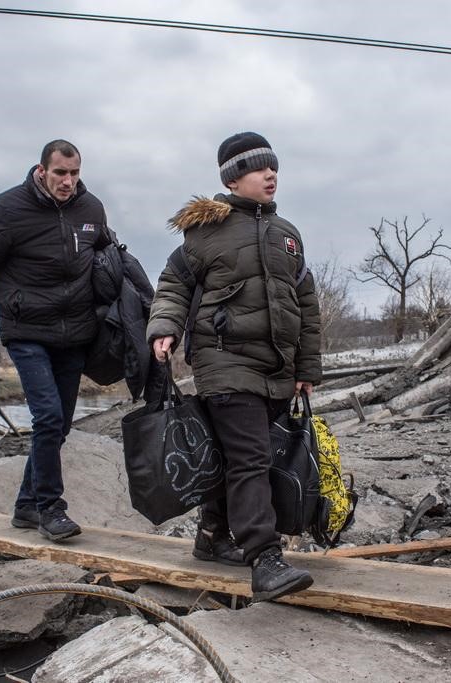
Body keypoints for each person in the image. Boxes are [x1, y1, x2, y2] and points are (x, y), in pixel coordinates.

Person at [147, 132, 322, 602]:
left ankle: (211, 535)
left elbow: (306, 303)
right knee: (251, 459)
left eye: (274, 167)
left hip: (277, 369)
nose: (271, 175)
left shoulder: (288, 234)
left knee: (237, 458)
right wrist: (165, 327)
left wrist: (306, 366)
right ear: (232, 178)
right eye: (258, 169)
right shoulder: (205, 233)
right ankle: (264, 559)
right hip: (223, 362)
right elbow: (172, 286)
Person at [0, 139, 110, 542]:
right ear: (42, 169)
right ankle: (51, 508)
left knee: (59, 425)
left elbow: (109, 258)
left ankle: (26, 505)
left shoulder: (91, 209)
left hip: (75, 333)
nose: (68, 182)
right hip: (27, 331)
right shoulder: (8, 209)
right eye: (60, 173)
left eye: (75, 173)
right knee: (47, 417)